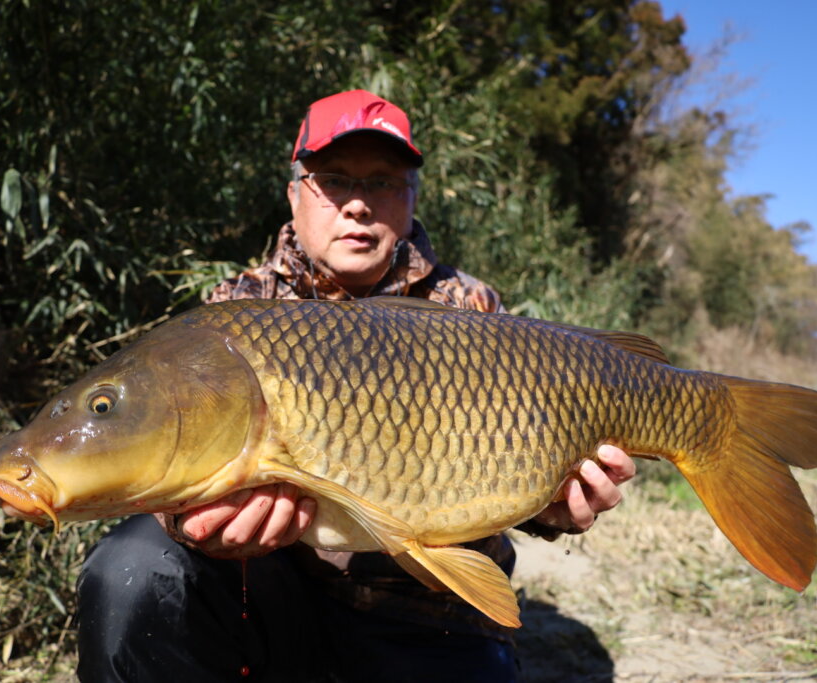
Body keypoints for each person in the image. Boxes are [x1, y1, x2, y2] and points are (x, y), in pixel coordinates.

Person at [76, 90, 636, 682]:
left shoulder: (469, 309)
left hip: (426, 614)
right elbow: (168, 456)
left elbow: (505, 479)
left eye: (385, 182)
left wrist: (552, 507)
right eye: (335, 180)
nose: (359, 205)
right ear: (295, 193)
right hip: (272, 598)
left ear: (412, 198)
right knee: (133, 569)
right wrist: (189, 524)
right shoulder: (238, 311)